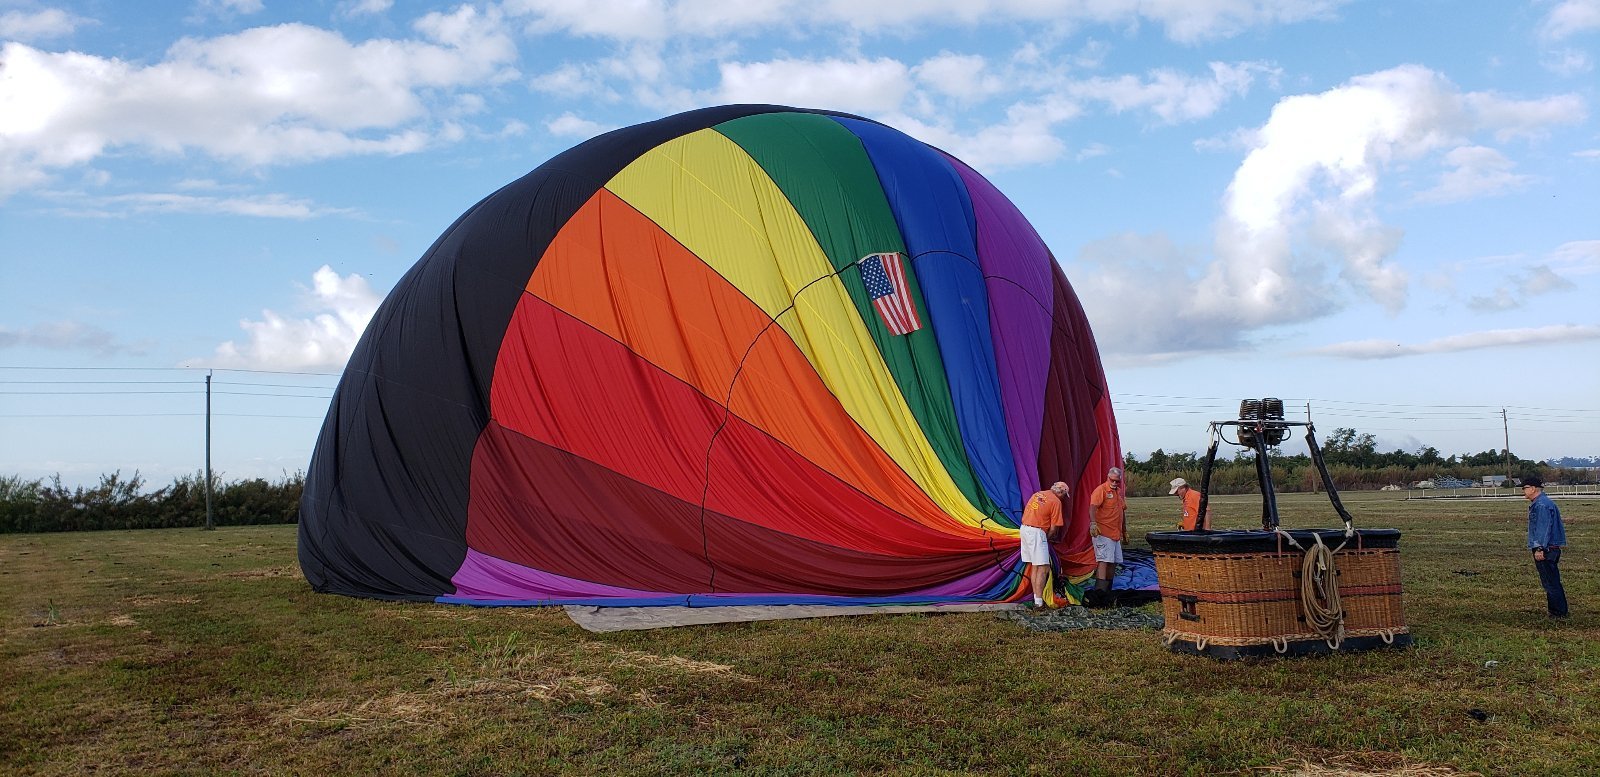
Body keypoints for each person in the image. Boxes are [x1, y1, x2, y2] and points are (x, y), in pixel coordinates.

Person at [1522, 476, 1569, 618]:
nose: (1523, 491)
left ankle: (1557, 612)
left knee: (1550, 582)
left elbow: (1543, 529)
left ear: (1533, 488)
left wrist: (1539, 548)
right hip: (1552, 547)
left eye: (1524, 488)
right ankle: (1558, 610)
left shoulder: (1541, 505)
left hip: (1546, 549)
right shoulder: (1544, 503)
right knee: (1553, 580)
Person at [1020, 481, 1070, 607]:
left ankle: (1036, 599)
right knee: (1042, 568)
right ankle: (1039, 602)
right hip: (1037, 532)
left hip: (1025, 529)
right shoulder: (1056, 502)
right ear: (1061, 492)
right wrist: (1047, 538)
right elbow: (1054, 528)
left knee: (1035, 566)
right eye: (1065, 495)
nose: (1064, 498)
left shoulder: (1038, 494)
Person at [1087, 467, 1127, 601]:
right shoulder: (1101, 490)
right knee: (1103, 560)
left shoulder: (1118, 493)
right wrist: (1093, 523)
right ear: (1108, 478)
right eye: (1112, 480)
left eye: (1117, 481)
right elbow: (1092, 507)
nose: (1114, 483)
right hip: (1103, 532)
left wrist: (1125, 531)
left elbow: (1122, 512)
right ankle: (1100, 591)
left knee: (1114, 561)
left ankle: (1107, 589)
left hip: (1115, 533)